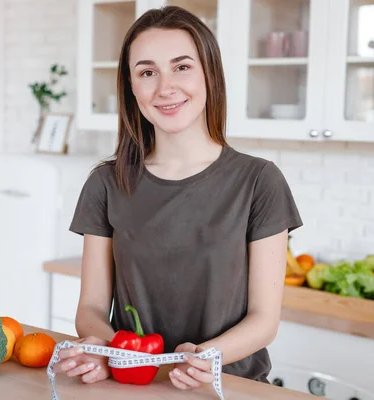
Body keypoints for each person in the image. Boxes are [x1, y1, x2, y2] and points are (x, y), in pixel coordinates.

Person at [54, 5, 303, 392]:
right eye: (147, 72)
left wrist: (207, 356)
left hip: (228, 386)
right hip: (133, 384)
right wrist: (106, 348)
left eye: (182, 67)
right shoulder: (106, 183)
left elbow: (264, 320)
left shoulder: (259, 181)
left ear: (209, 74)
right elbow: (91, 309)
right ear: (131, 87)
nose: (165, 87)